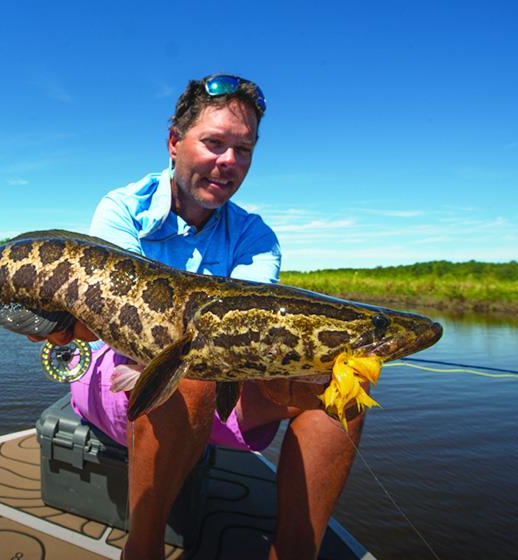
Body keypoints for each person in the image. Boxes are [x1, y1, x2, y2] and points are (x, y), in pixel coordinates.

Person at [35, 74, 366, 560]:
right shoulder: (122, 209)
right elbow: (119, 324)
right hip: (119, 378)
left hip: (216, 384)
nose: (229, 162)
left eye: (244, 150)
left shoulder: (257, 238)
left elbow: (245, 336)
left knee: (345, 391)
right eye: (214, 143)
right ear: (174, 142)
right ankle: (142, 549)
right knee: (188, 368)